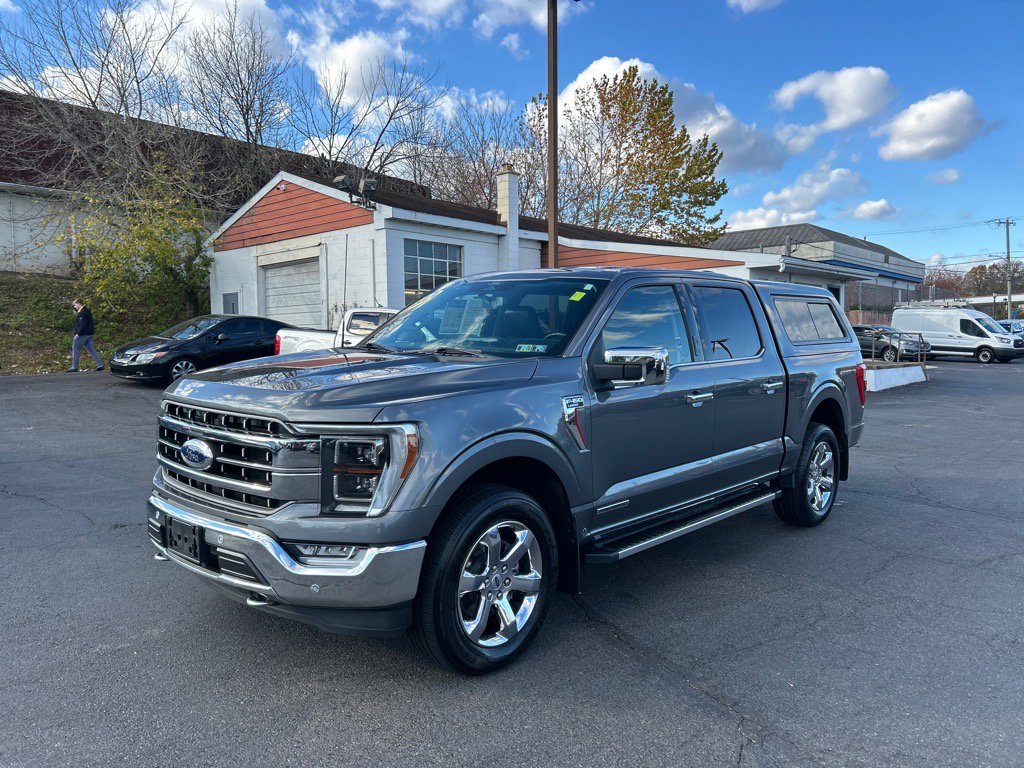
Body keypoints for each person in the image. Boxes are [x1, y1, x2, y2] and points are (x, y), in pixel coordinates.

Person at [68, 299, 104, 372]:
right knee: (92, 350)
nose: (74, 307)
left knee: (75, 349)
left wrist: (78, 334)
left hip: (83, 334)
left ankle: (74, 367)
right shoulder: (87, 311)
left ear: (78, 304)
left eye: (75, 305)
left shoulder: (82, 312)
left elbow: (82, 324)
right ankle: (100, 365)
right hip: (89, 334)